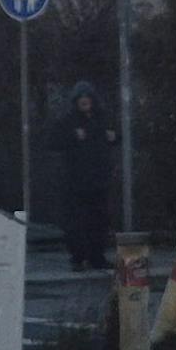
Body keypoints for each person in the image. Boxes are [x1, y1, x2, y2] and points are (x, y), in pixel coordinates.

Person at [51, 80, 119, 270]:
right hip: (75, 181)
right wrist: (72, 137)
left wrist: (113, 137)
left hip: (98, 180)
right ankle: (78, 257)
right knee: (77, 221)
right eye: (81, 98)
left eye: (87, 97)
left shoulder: (101, 119)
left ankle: (97, 256)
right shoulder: (69, 121)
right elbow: (53, 141)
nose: (84, 101)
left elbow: (114, 136)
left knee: (99, 220)